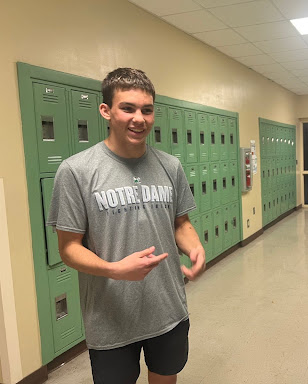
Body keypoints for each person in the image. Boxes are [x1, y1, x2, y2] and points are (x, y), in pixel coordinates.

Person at [47, 67, 205, 384]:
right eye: (128, 108)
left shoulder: (170, 166)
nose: (139, 119)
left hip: (167, 307)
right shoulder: (76, 171)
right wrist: (114, 269)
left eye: (147, 110)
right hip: (111, 316)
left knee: (165, 377)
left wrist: (195, 246)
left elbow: (181, 222)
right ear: (106, 110)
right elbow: (68, 248)